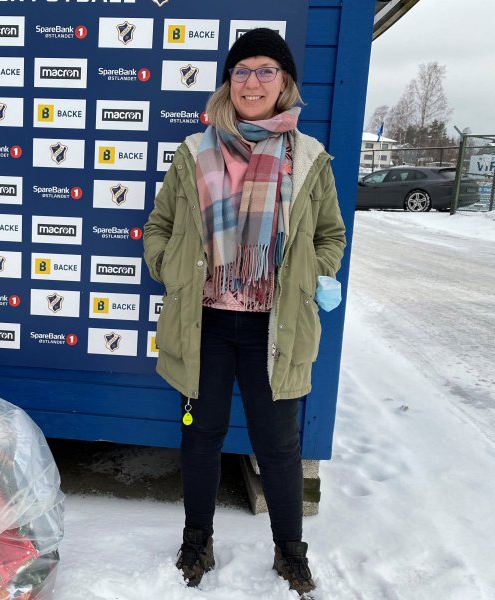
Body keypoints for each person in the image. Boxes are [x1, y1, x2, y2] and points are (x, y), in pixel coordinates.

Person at [143, 29, 346, 594]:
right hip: (203, 322)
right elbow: (160, 226)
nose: (252, 82)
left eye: (265, 70)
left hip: (275, 325)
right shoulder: (193, 153)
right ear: (227, 82)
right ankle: (196, 540)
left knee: (278, 445)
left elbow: (331, 234)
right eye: (241, 71)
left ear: (284, 83)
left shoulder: (309, 159)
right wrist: (168, 265)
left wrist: (311, 273)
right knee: (201, 436)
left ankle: (290, 551)